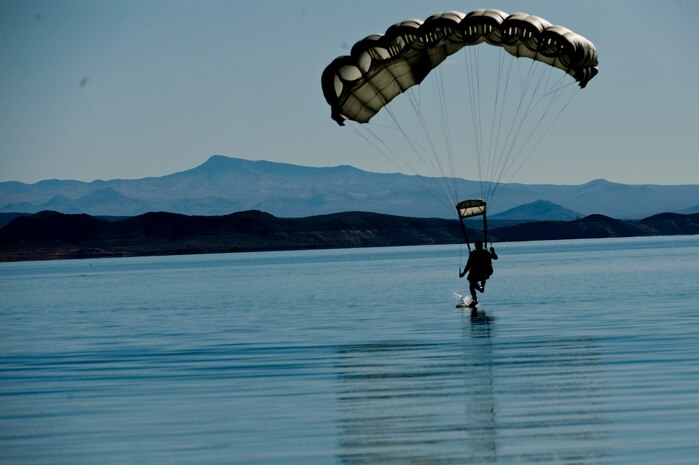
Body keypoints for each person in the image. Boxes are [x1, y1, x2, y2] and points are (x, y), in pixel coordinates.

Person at [459, 241, 498, 307]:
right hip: (484, 274)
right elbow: (495, 257)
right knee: (481, 279)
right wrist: (493, 251)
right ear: (482, 246)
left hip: (477, 274)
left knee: (471, 286)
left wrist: (463, 273)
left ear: (476, 246)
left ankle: (475, 299)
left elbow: (468, 265)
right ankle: (481, 288)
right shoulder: (486, 253)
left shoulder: (473, 254)